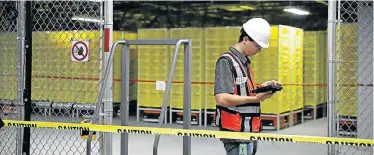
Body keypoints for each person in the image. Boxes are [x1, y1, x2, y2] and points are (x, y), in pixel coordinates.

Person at [214, 18, 282, 155]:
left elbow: (243, 90)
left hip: (247, 129)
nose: (259, 51)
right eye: (258, 47)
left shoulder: (243, 62)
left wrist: (263, 87)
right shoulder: (226, 62)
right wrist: (255, 99)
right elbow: (221, 98)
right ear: (245, 39)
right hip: (236, 131)